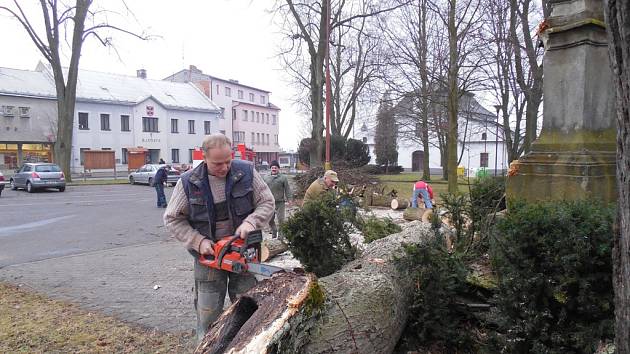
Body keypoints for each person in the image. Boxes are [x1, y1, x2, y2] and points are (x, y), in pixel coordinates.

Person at [163, 134, 275, 343]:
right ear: (204, 158)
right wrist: (198, 242)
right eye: (217, 163)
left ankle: (247, 346)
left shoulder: (247, 172)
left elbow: (267, 202)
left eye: (228, 161)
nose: (224, 167)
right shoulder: (189, 182)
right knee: (208, 315)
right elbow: (172, 219)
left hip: (243, 253)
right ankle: (206, 346)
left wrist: (251, 222)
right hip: (209, 256)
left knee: (248, 309)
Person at [263, 160, 292, 239]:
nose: (274, 169)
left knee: (281, 219)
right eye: (272, 167)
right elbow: (262, 189)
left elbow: (287, 189)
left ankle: (281, 236)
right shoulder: (265, 177)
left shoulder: (283, 178)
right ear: (270, 169)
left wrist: (289, 199)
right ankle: (274, 230)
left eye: (275, 167)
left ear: (278, 169)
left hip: (280, 202)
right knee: (269, 219)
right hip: (269, 202)